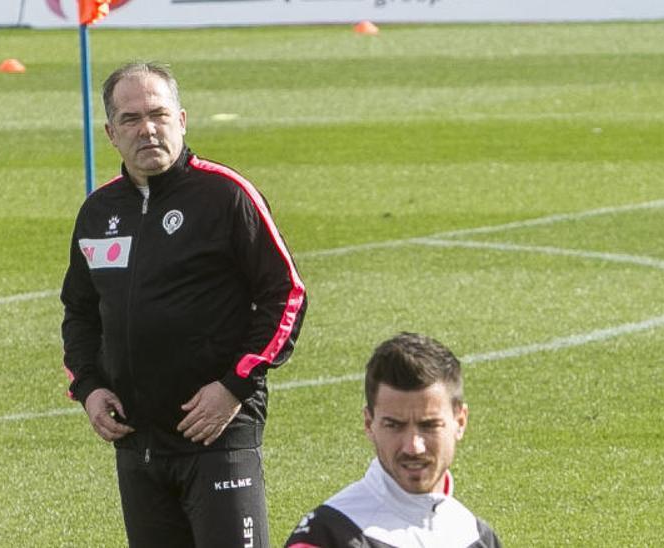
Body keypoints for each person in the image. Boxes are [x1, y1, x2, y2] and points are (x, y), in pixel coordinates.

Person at [60, 61, 308, 548]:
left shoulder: (226, 195)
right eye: (130, 119)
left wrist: (235, 385)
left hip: (217, 435)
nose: (147, 129)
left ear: (183, 119)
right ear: (111, 133)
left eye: (158, 114)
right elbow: (79, 312)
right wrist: (88, 387)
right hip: (136, 442)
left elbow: (288, 294)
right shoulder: (98, 212)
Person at [284, 332, 501, 548]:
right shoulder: (327, 536)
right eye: (394, 425)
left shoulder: (477, 537)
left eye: (429, 425)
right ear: (369, 424)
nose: (413, 447)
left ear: (460, 422)